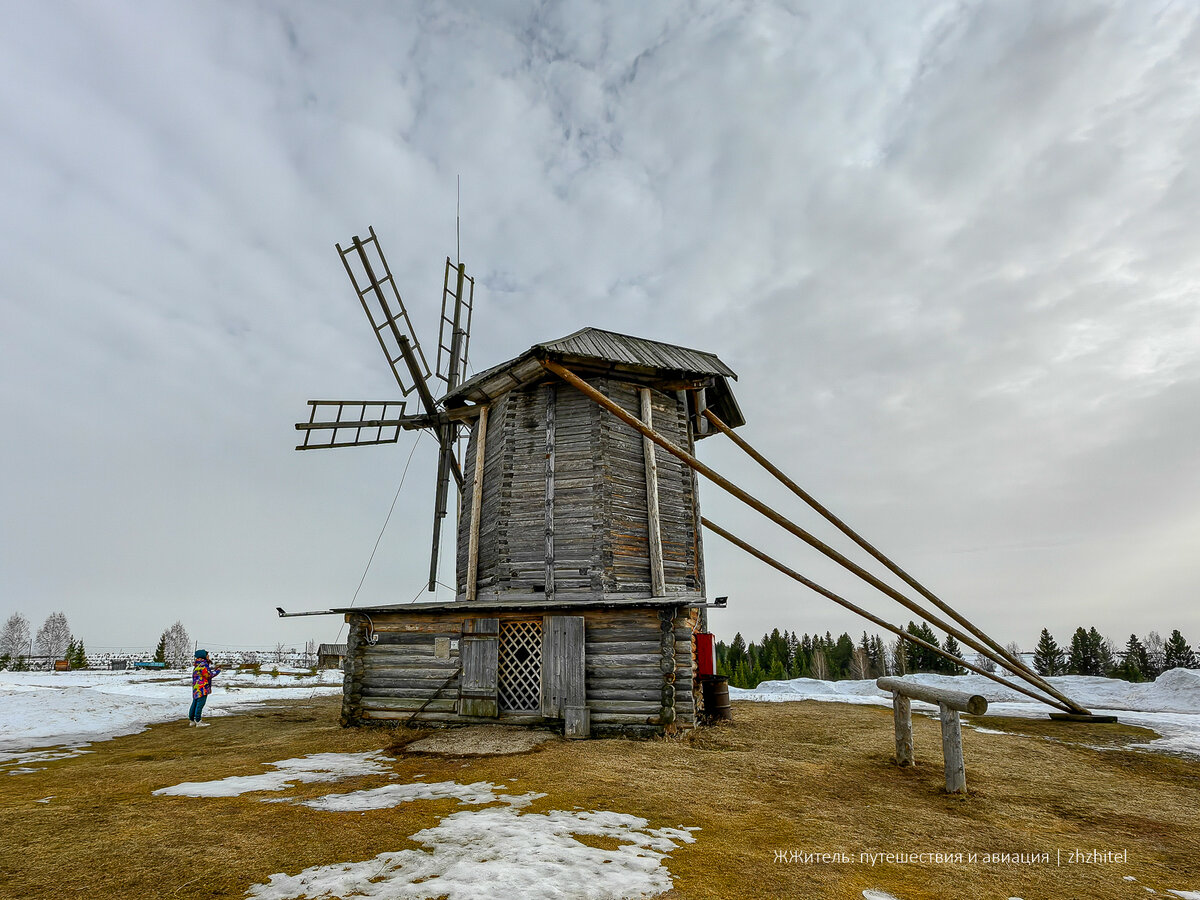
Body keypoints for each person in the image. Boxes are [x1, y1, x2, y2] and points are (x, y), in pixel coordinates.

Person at [189, 649, 221, 727]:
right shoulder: (203, 664)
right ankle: (198, 721)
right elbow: (208, 675)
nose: (208, 656)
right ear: (203, 656)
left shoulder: (197, 664)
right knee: (200, 704)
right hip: (202, 688)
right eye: (207, 655)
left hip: (196, 687)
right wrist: (217, 671)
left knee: (195, 703)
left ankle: (192, 720)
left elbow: (205, 673)